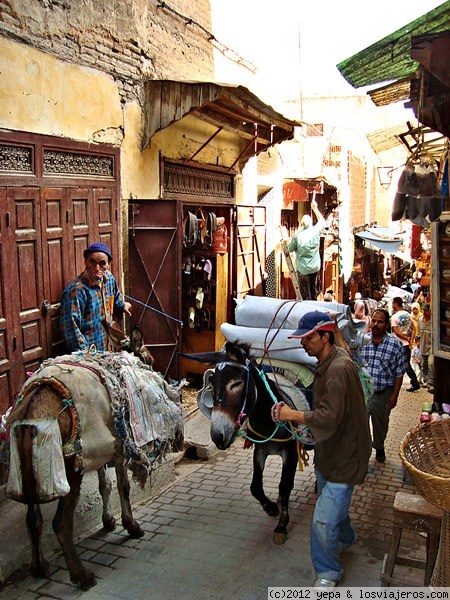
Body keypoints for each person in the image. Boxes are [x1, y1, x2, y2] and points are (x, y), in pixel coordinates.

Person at [272, 311, 371, 588]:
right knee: (334, 505)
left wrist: (292, 415)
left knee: (322, 521)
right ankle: (347, 538)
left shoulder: (338, 369)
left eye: (309, 338)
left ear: (325, 336)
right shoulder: (328, 361)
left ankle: (328, 573)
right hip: (331, 453)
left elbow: (327, 416)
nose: (304, 343)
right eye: (302, 339)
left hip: (346, 455)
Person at [60, 242, 132, 352]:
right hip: (90, 354)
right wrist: (86, 356)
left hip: (107, 349)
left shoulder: (109, 278)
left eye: (102, 263)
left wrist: (122, 305)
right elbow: (71, 330)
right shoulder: (76, 291)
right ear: (85, 261)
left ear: (108, 264)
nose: (97, 268)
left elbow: (115, 295)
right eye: (92, 262)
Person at [361, 309, 408, 464]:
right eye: (373, 321)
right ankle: (363, 453)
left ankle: (379, 446)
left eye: (379, 322)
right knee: (361, 425)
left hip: (383, 393)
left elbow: (399, 373)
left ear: (386, 324)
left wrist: (395, 396)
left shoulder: (395, 345)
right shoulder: (363, 341)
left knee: (380, 425)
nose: (375, 324)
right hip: (364, 393)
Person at [285, 198, 325, 301]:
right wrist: (315, 209)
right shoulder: (315, 231)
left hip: (303, 269)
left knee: (305, 294)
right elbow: (322, 221)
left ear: (301, 223)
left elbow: (289, 248)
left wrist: (286, 242)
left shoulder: (297, 235)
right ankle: (314, 305)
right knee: (312, 288)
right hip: (314, 268)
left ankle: (308, 310)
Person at [390, 296, 420, 392]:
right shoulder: (408, 315)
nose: (392, 305)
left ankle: (414, 382)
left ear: (395, 304)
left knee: (401, 364)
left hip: (398, 344)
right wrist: (410, 339)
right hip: (406, 344)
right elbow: (413, 329)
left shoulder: (394, 317)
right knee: (405, 363)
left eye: (392, 303)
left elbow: (396, 332)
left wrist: (407, 338)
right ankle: (413, 382)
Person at [418, 303, 432, 387]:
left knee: (431, 363)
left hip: (431, 347)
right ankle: (425, 380)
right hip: (423, 345)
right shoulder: (421, 320)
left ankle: (430, 381)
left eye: (426, 311)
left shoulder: (433, 321)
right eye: (424, 310)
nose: (424, 313)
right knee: (424, 364)